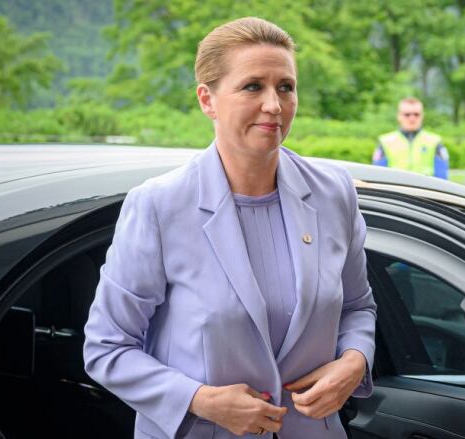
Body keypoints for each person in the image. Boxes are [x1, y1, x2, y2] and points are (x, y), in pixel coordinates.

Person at [83, 17, 376, 439]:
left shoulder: (333, 193)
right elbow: (106, 348)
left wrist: (354, 362)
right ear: (207, 100)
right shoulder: (159, 205)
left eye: (286, 87)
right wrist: (200, 400)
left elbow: (357, 307)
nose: (274, 105)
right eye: (252, 86)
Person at [373, 97, 450, 179]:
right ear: (399, 116)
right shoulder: (385, 141)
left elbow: (442, 178)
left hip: (425, 191)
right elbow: (378, 176)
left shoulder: (435, 142)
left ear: (422, 116)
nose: (412, 118)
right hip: (394, 191)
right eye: (407, 114)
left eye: (416, 114)